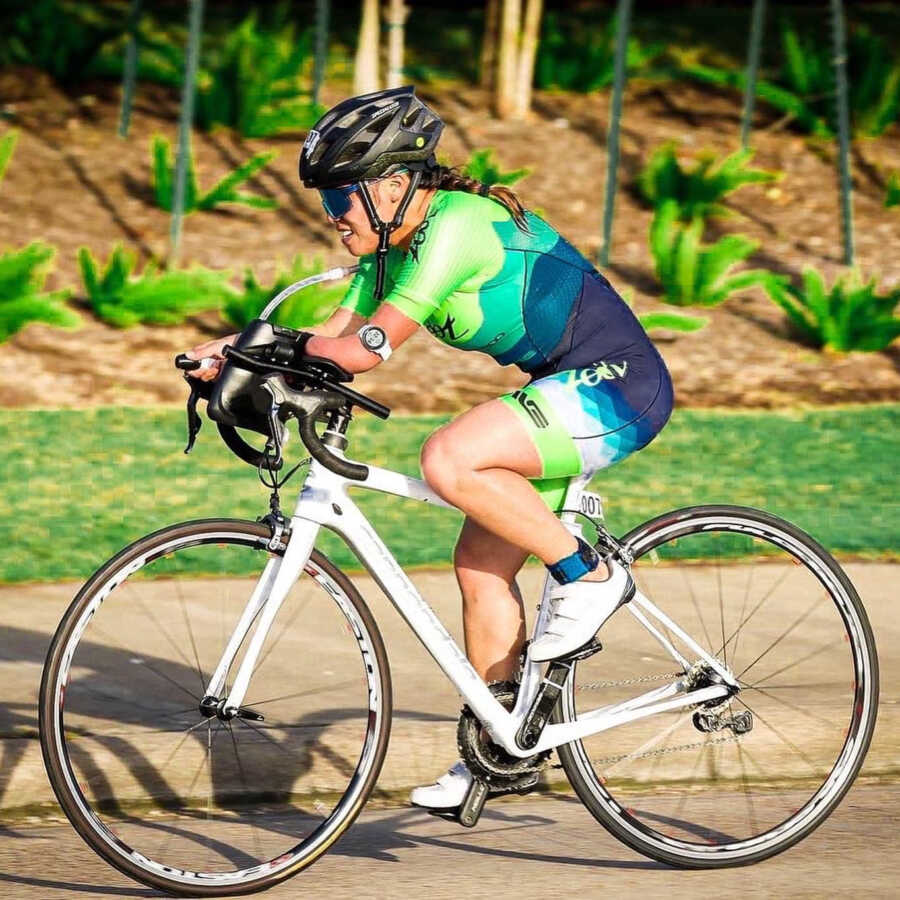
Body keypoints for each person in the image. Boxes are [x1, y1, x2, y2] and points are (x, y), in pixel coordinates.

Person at [185, 86, 674, 812]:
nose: (332, 218)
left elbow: (361, 352)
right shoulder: (390, 250)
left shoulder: (455, 228)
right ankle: (503, 751)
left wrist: (268, 346)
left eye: (339, 200)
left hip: (617, 385)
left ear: (391, 186)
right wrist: (234, 355)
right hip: (562, 382)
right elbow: (330, 339)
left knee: (449, 458)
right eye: (325, 205)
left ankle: (588, 575)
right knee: (479, 566)